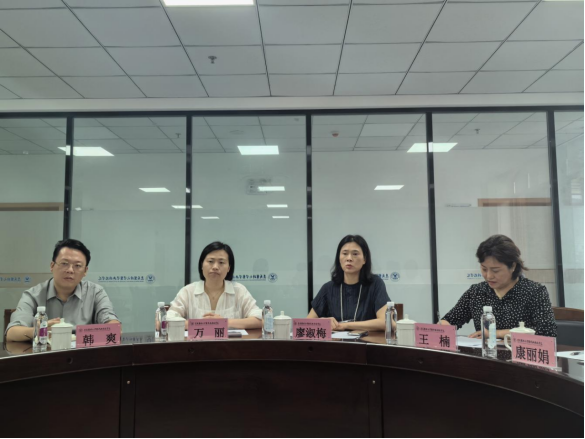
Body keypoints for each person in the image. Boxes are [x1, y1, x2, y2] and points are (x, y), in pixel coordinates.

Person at [440, 235, 557, 338]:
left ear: (513, 266)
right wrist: (439, 329)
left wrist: (496, 334)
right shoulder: (476, 292)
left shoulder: (534, 291)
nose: (489, 276)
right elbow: (450, 320)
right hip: (484, 355)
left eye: (495, 270)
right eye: (484, 269)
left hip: (520, 355)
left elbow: (546, 332)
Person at [6, 239, 121, 342]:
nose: (70, 270)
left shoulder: (96, 292)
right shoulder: (33, 295)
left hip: (83, 355)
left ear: (85, 271)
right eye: (64, 263)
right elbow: (11, 333)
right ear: (52, 266)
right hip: (45, 355)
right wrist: (40, 330)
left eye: (77, 266)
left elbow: (114, 328)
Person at [169, 242, 262, 330]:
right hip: (197, 342)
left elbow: (260, 320)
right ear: (202, 265)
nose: (215, 267)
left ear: (229, 268)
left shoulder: (239, 291)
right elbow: (167, 320)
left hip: (231, 342)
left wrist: (225, 322)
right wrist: (200, 324)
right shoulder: (188, 291)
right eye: (210, 261)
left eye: (221, 262)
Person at [308, 235, 390, 332]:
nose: (349, 258)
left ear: (364, 259)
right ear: (339, 258)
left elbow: (387, 322)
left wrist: (345, 325)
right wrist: (322, 322)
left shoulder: (375, 284)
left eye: (355, 254)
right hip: (336, 341)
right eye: (345, 253)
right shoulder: (328, 288)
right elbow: (307, 324)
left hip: (367, 341)